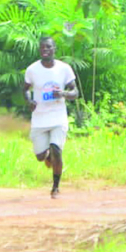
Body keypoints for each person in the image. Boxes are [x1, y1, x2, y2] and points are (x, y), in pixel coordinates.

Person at [23, 37, 78, 199]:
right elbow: (25, 88)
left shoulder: (64, 69)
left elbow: (75, 92)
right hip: (39, 118)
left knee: (57, 150)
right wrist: (29, 101)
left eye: (48, 47)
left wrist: (64, 94)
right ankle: (47, 157)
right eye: (42, 48)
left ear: (55, 49)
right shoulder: (32, 69)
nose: (45, 50)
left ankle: (55, 187)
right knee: (40, 157)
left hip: (58, 117)